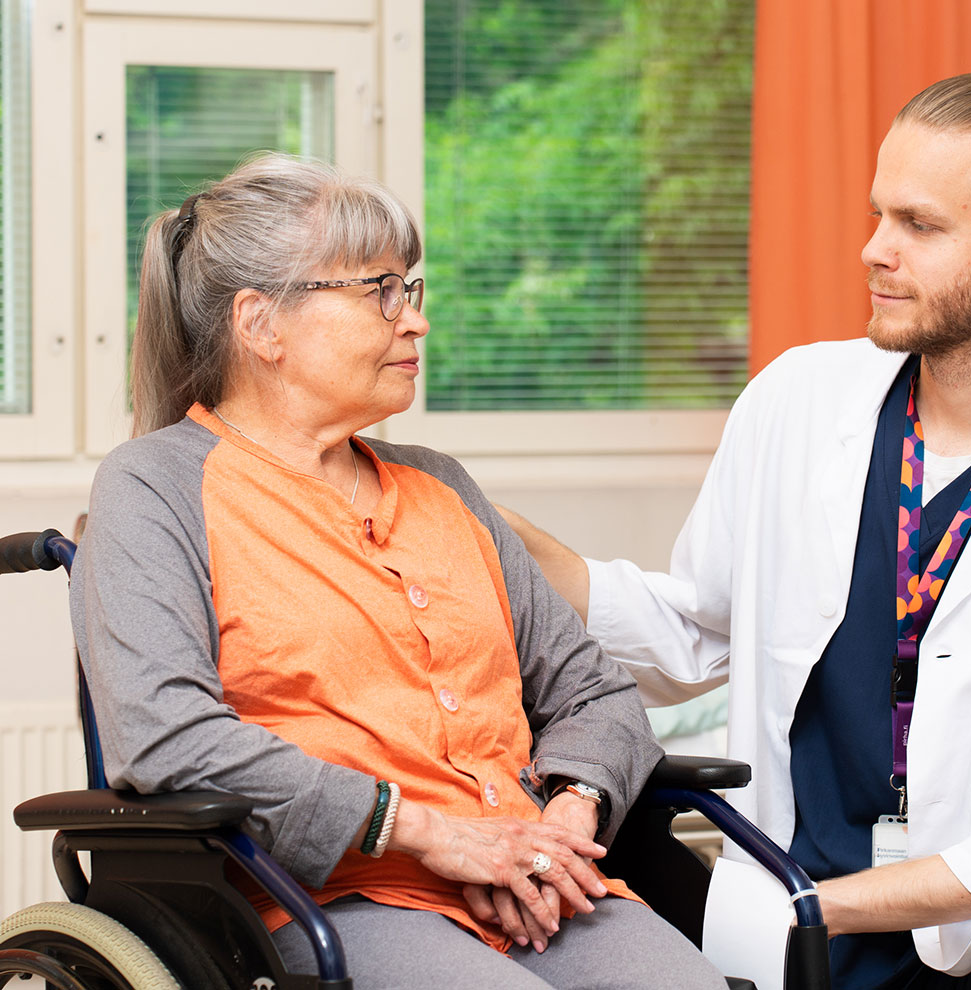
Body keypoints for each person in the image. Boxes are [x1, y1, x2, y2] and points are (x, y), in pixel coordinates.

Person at [502, 71, 971, 990]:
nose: (875, 250)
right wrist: (492, 531)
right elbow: (696, 632)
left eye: (920, 226)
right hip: (804, 900)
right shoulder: (796, 401)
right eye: (878, 215)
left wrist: (825, 906)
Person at [70, 153, 726, 990]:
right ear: (261, 325)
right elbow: (165, 735)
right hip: (327, 896)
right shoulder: (154, 485)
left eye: (409, 289)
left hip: (531, 873)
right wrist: (428, 834)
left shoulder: (440, 485)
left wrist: (566, 817)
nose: (413, 320)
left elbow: (592, 691)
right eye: (380, 291)